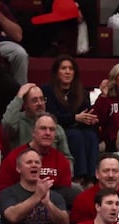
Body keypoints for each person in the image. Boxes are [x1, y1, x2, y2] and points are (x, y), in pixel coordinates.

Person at [41, 55, 100, 183]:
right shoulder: (47, 90)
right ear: (56, 72)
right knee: (75, 135)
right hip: (58, 128)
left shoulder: (81, 92)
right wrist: (75, 118)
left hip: (78, 128)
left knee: (91, 136)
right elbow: (52, 116)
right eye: (64, 68)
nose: (68, 72)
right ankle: (78, 176)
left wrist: (90, 120)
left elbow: (87, 113)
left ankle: (92, 178)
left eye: (71, 69)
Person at [0, 113, 74, 204]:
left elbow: (65, 195)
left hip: (50, 208)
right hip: (19, 207)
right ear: (33, 132)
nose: (48, 133)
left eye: (52, 129)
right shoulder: (15, 157)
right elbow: (1, 192)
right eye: (43, 128)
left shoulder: (61, 160)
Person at [1, 83, 73, 160]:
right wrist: (19, 96)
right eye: (34, 100)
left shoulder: (54, 126)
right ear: (25, 105)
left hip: (49, 169)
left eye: (42, 99)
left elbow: (66, 158)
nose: (40, 103)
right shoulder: (18, 123)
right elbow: (7, 124)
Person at [0, 2, 27, 85]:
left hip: (0, 44)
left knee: (19, 53)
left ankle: (21, 94)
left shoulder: (1, 6)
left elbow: (18, 36)